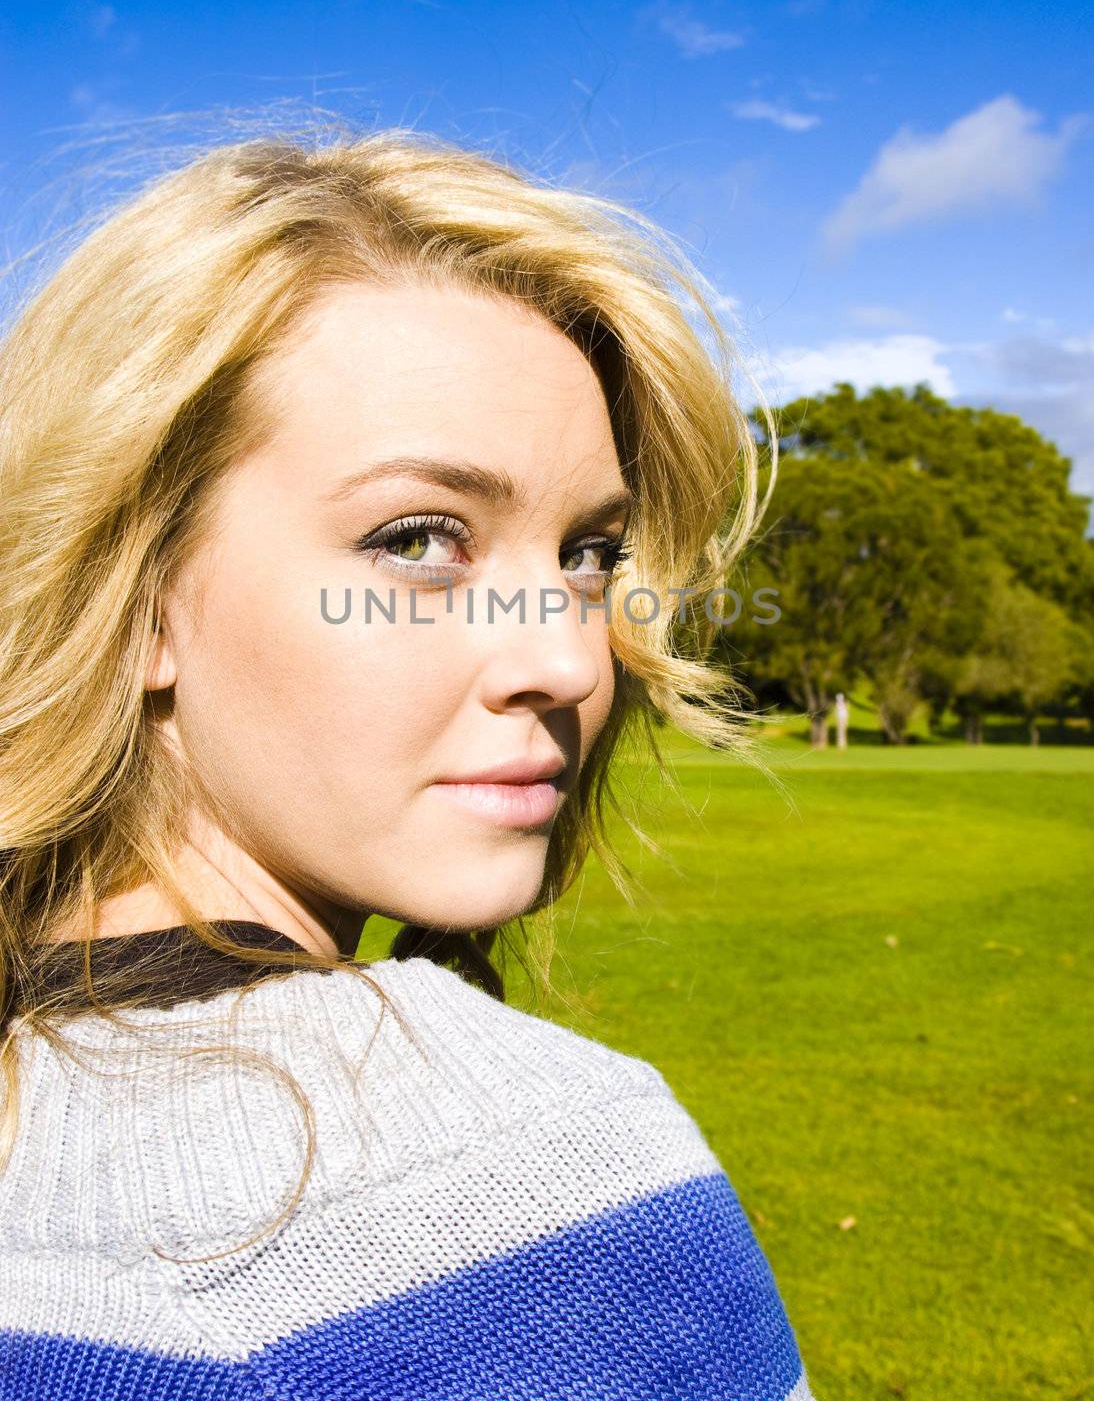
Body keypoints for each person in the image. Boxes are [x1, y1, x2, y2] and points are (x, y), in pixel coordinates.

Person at [0, 127, 817, 1399]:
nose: (569, 654)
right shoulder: (531, 1173)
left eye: (586, 553)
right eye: (420, 538)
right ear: (139, 591)